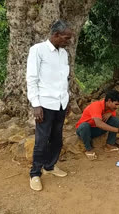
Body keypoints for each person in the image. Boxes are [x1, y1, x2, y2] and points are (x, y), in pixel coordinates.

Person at [26, 20, 73, 191]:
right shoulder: (38, 50)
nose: (68, 42)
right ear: (55, 35)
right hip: (44, 103)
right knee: (41, 140)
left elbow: (64, 80)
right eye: (66, 38)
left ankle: (50, 166)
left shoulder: (63, 54)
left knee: (57, 138)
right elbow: (32, 79)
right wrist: (35, 104)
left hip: (60, 103)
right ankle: (35, 173)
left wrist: (67, 99)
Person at [76, 90, 119, 160]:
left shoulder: (110, 108)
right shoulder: (96, 106)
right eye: (116, 104)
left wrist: (110, 113)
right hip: (85, 130)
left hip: (96, 130)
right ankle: (88, 149)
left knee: (116, 120)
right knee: (84, 126)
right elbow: (99, 124)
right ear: (109, 101)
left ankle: (109, 145)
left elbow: (113, 118)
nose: (117, 107)